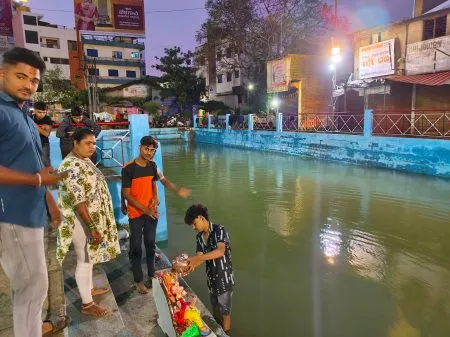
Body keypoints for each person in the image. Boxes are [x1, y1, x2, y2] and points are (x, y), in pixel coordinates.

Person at [0, 47, 67, 337]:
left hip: (31, 211)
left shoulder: (23, 113)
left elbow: (34, 164)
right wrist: (36, 182)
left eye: (34, 80)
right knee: (33, 285)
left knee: (31, 287)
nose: (28, 84)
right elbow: (36, 174)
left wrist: (49, 201)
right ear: (2, 73)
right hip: (13, 214)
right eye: (21, 76)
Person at [57, 127, 120, 317]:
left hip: (89, 218)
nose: (92, 146)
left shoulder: (83, 160)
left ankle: (89, 289)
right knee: (84, 259)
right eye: (87, 143)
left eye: (94, 143)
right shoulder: (70, 166)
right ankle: (87, 304)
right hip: (80, 221)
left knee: (89, 257)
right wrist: (92, 227)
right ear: (75, 143)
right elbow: (79, 201)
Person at [184, 204, 234, 335]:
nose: (194, 228)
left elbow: (220, 251)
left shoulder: (219, 230)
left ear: (201, 218)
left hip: (224, 279)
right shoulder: (199, 238)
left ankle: (226, 333)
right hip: (211, 279)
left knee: (225, 312)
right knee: (215, 308)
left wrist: (196, 259)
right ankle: (217, 328)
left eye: (194, 224)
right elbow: (199, 258)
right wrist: (190, 266)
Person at [121, 136, 160, 295]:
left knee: (150, 244)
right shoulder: (128, 168)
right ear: (140, 148)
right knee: (136, 247)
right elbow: (127, 194)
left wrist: (156, 198)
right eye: (147, 149)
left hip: (151, 212)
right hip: (136, 214)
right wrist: (145, 209)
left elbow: (153, 183)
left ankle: (152, 274)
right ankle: (138, 280)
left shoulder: (152, 165)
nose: (149, 153)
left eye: (152, 150)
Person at [32, 101, 53, 167]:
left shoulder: (47, 119)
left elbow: (46, 134)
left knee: (45, 161)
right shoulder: (30, 118)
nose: (42, 114)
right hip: (33, 143)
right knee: (33, 161)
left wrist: (35, 126)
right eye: (39, 112)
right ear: (34, 111)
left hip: (44, 143)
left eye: (44, 112)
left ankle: (50, 176)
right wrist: (42, 129)